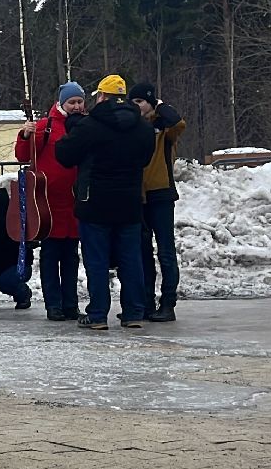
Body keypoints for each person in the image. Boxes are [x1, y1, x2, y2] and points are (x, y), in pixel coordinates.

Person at [54, 76, 156, 329]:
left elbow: (64, 155)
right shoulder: (142, 127)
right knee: (131, 259)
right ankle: (133, 312)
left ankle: (98, 314)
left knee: (97, 261)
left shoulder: (91, 125)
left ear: (101, 96)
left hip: (94, 201)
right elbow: (144, 159)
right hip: (129, 201)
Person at [16, 82, 85, 322]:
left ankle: (70, 304)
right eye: (72, 102)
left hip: (74, 203)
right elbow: (23, 156)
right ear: (62, 103)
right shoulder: (45, 127)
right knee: (50, 256)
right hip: (48, 203)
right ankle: (53, 305)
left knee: (71, 258)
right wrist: (25, 135)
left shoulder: (85, 126)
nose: (76, 106)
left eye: (79, 102)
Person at [131, 83, 186, 323]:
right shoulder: (131, 127)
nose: (136, 107)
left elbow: (177, 121)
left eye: (140, 102)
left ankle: (168, 303)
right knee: (143, 252)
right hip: (138, 196)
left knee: (166, 251)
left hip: (161, 194)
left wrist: (159, 105)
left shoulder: (164, 127)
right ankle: (145, 302)